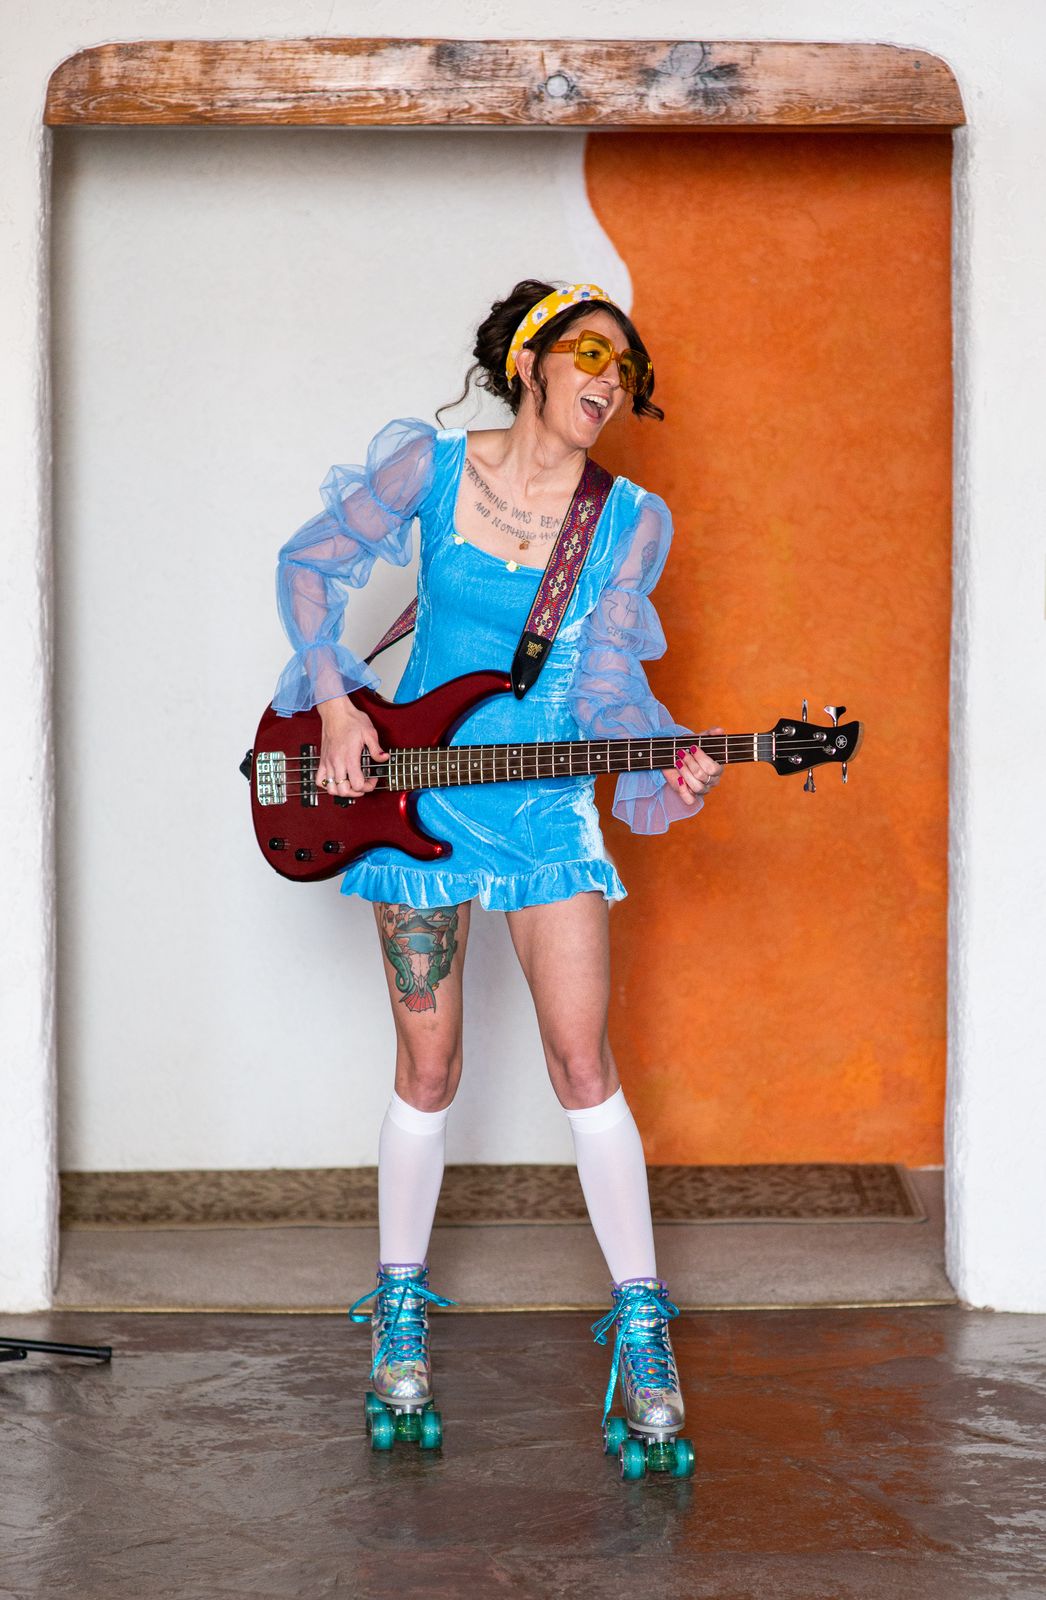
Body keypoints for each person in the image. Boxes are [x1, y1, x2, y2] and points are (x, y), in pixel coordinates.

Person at [272, 279, 725, 1473]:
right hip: (413, 799)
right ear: (530, 360)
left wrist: (659, 754)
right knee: (428, 1067)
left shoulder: (626, 518)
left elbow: (607, 680)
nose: (610, 382)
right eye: (591, 355)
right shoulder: (431, 470)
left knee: (583, 1064)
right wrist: (333, 702)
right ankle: (399, 1318)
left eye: (626, 370)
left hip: (542, 809)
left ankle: (642, 1335)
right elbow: (309, 567)